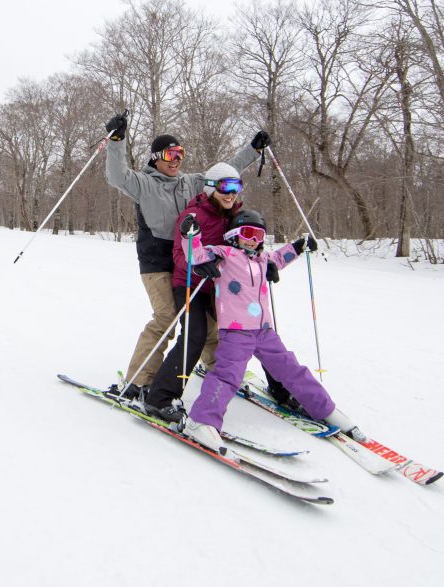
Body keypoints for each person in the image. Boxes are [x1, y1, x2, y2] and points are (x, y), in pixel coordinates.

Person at [102, 110, 270, 399]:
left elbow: (226, 172)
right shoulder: (143, 183)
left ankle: (220, 369)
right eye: (170, 154)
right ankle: (138, 380)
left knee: (208, 320)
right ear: (156, 157)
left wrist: (253, 150)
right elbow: (116, 175)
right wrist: (117, 140)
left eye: (180, 154)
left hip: (193, 261)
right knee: (166, 317)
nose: (176, 159)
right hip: (158, 262)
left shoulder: (191, 182)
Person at [175, 208, 364, 451]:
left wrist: (299, 246)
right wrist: (190, 235)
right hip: (236, 331)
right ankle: (201, 421)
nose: (253, 240)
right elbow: (197, 255)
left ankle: (324, 408)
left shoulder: (263, 259)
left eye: (259, 235)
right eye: (248, 233)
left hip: (265, 332)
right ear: (234, 234)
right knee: (227, 376)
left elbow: (279, 258)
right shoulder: (225, 254)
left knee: (292, 370)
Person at [139, 162, 244, 421]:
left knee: (249, 333)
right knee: (193, 337)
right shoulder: (193, 216)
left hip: (219, 288)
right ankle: (160, 399)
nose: (231, 194)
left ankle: (277, 386)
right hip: (190, 285)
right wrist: (198, 266)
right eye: (225, 187)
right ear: (210, 187)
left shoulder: (235, 217)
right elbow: (179, 254)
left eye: (236, 187)